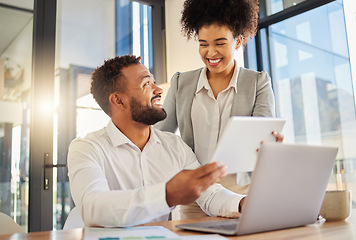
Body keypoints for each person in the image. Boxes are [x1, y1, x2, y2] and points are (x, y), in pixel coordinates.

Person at [67, 55, 246, 228]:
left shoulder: (174, 146)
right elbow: (94, 208)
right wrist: (166, 195)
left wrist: (243, 204)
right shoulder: (86, 148)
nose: (159, 90)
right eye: (146, 84)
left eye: (153, 81)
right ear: (119, 100)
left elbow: (210, 195)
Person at [155, 0, 283, 218]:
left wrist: (270, 147)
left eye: (220, 43)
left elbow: (263, 138)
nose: (210, 52)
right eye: (203, 43)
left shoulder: (257, 82)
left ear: (238, 41)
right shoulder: (181, 83)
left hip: (242, 192)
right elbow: (159, 136)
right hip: (195, 195)